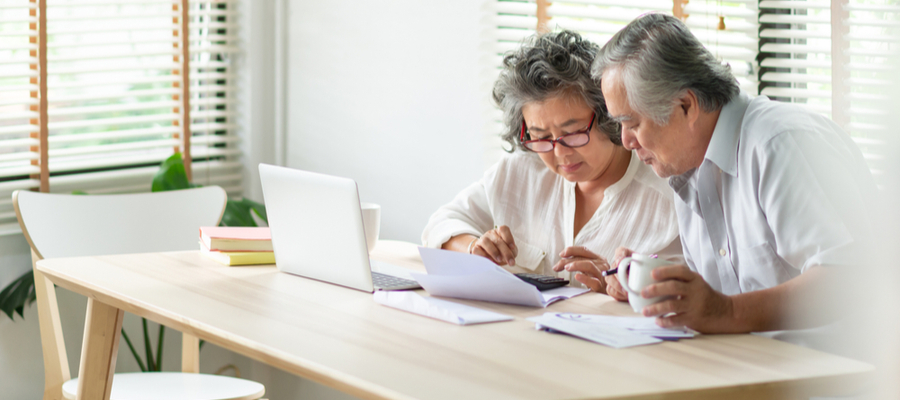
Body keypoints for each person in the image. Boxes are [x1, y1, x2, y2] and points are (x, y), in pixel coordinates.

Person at [592, 14, 878, 333]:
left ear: (686, 105)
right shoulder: (688, 167)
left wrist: (725, 311)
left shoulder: (778, 143)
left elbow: (847, 279)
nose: (626, 141)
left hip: (835, 375)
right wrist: (652, 280)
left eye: (632, 124)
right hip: (748, 367)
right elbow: (734, 285)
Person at [421, 30, 681, 293]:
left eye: (572, 133)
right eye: (541, 136)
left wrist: (624, 287)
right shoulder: (520, 171)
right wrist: (474, 248)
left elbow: (687, 296)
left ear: (608, 115)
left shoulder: (668, 199)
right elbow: (441, 223)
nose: (559, 153)